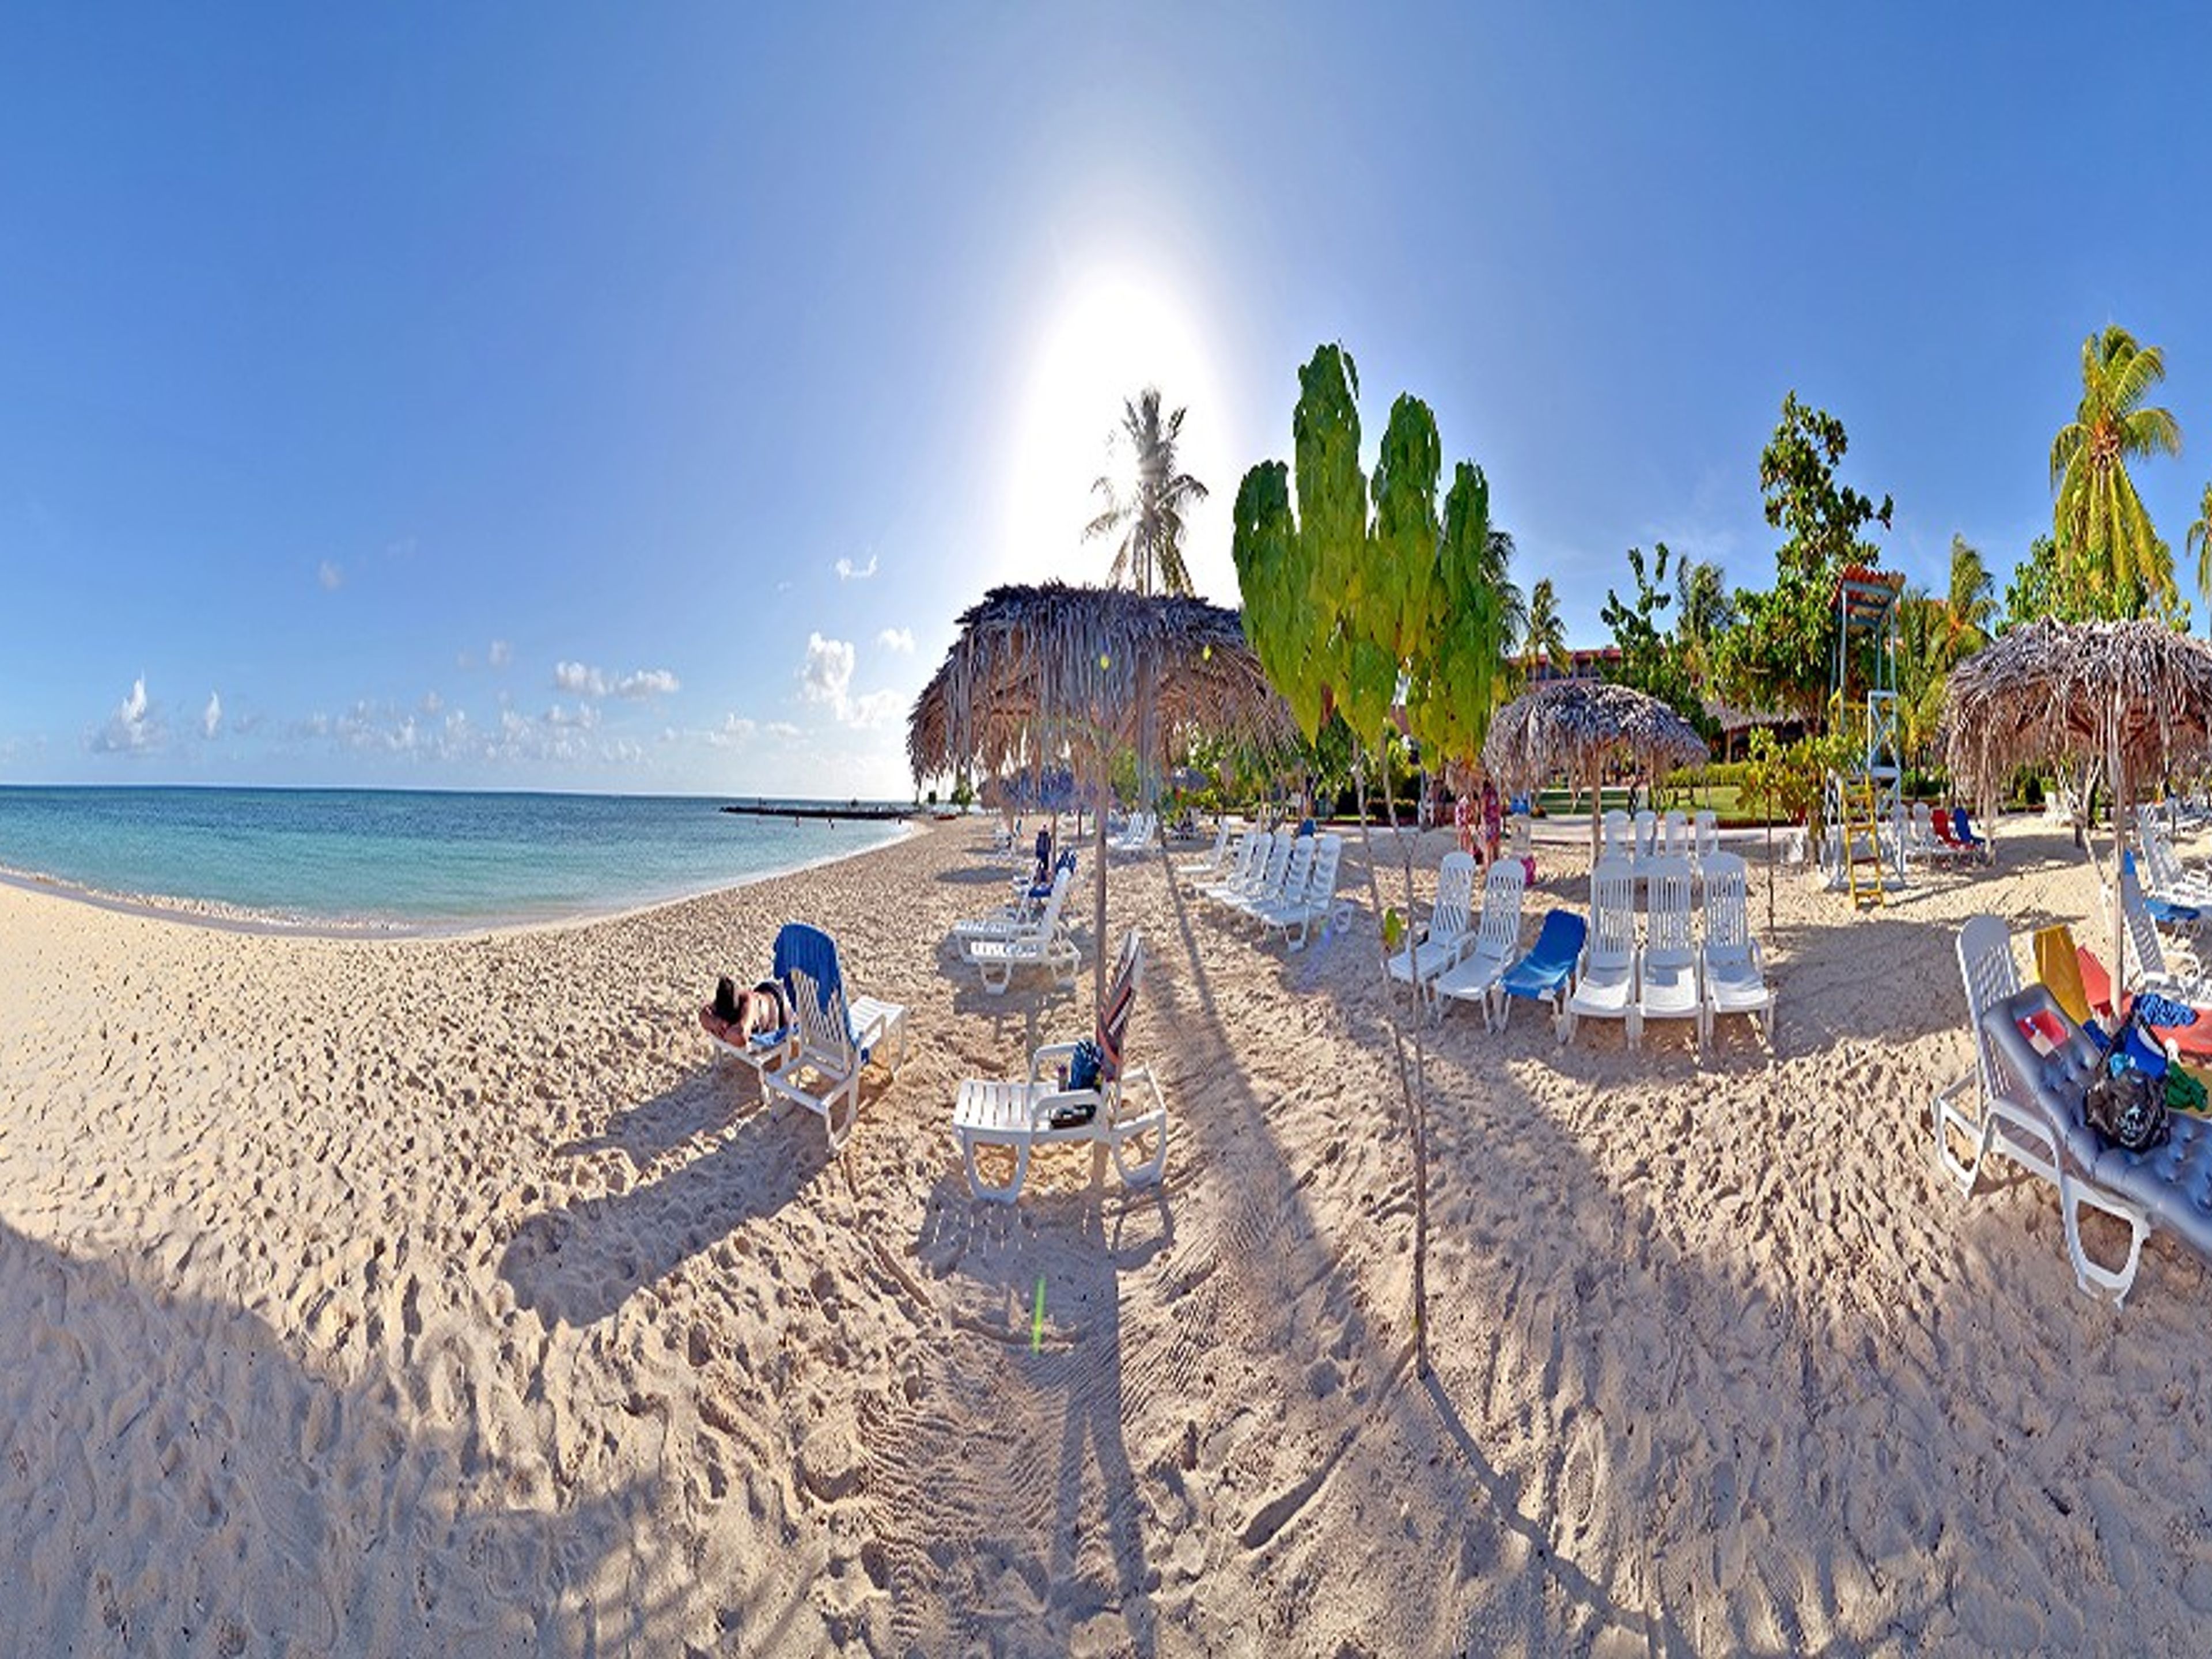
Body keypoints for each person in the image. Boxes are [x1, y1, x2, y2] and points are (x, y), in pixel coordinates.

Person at [1480, 777, 1503, 867]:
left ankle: (1489, 867)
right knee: (1495, 845)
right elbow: (1498, 808)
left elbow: (1483, 809)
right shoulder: (1494, 793)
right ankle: (1495, 866)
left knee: (1489, 846)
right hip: (1494, 822)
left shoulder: (1487, 794)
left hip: (1490, 823)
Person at [1454, 789, 1475, 859]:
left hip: (1460, 824)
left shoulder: (1460, 802)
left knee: (1461, 842)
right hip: (1463, 824)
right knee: (1466, 842)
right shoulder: (1466, 802)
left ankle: (1461, 856)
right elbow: (1465, 816)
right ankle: (1466, 857)